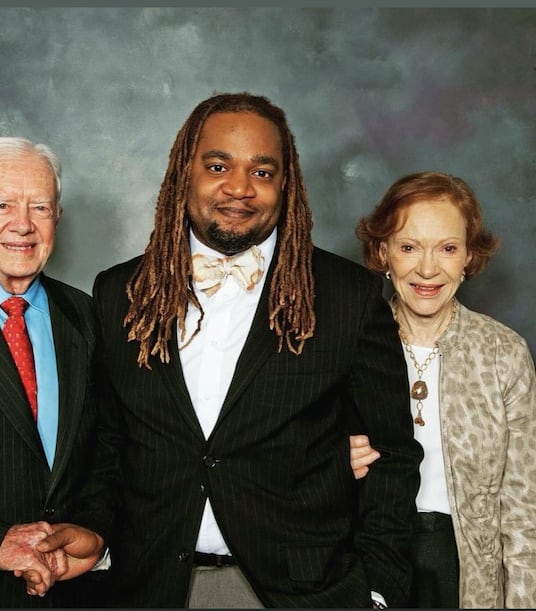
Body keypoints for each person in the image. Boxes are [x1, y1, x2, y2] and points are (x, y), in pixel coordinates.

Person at [38, 92, 422, 608]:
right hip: (150, 588)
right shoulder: (121, 292)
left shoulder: (346, 296)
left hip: (302, 593)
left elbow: (392, 456)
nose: (239, 188)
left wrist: (378, 590)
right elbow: (110, 443)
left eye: (262, 172)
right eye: (218, 165)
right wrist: (95, 530)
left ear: (286, 184)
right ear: (185, 172)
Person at [349, 171, 536, 608]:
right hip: (365, 560)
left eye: (448, 249)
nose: (428, 269)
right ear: (383, 252)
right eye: (409, 247)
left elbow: (525, 510)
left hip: (467, 573)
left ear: (469, 256)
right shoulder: (347, 345)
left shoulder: (503, 353)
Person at [0, 137, 106, 607]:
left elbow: (107, 453)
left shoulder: (88, 318)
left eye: (41, 208)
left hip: (71, 596)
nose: (23, 225)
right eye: (4, 204)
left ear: (58, 219)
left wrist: (96, 533)